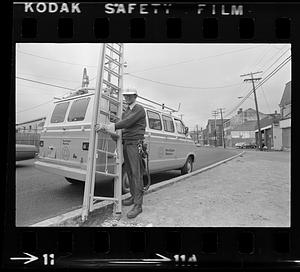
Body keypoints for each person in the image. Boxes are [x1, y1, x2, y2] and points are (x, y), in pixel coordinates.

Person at [96, 88, 146, 219]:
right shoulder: (126, 112)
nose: (127, 98)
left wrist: (110, 126)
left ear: (135, 96)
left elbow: (127, 123)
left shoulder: (139, 109)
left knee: (136, 173)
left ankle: (138, 205)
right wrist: (109, 131)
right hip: (127, 143)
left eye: (130, 96)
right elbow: (123, 127)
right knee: (129, 172)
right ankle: (134, 196)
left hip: (135, 144)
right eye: (126, 96)